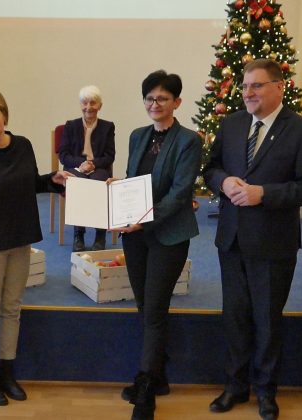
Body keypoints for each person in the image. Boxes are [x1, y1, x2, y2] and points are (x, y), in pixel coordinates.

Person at [203, 59, 302, 420]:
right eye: (244, 86)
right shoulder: (231, 124)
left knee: (268, 321)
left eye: (256, 85)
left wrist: (264, 194)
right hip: (232, 239)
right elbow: (210, 169)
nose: (248, 93)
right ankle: (235, 386)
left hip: (274, 243)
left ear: (279, 87)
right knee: (235, 317)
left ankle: (266, 391)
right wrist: (223, 182)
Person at [0, 91, 70, 406]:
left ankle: (7, 373)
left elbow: (29, 183)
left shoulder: (23, 145)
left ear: (5, 116)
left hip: (20, 240)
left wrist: (53, 179)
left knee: (12, 308)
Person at [112, 70, 201, 420]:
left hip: (169, 234)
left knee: (154, 309)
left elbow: (180, 194)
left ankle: (146, 388)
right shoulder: (137, 136)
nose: (154, 104)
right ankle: (159, 376)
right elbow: (133, 182)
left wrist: (144, 219)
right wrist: (117, 194)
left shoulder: (188, 140)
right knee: (144, 306)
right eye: (149, 98)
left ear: (177, 102)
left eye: (162, 98)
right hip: (136, 236)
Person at [57, 85, 116, 251]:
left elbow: (110, 155)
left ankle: (100, 234)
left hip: (98, 168)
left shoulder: (107, 127)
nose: (88, 107)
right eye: (85, 103)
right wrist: (81, 164)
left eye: (93, 103)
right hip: (76, 168)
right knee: (78, 184)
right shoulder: (71, 126)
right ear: (80, 104)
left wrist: (93, 164)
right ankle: (79, 234)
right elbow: (63, 154)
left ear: (100, 106)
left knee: (99, 183)